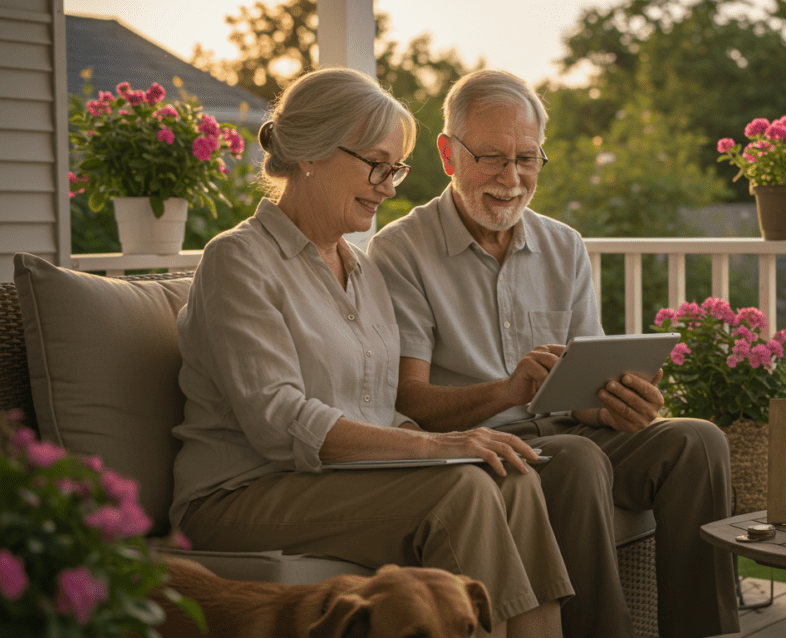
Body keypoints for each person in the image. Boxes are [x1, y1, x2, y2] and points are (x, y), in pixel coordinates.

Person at [168, 67, 571, 638]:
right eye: (377, 164)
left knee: (512, 474)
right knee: (461, 489)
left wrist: (455, 443)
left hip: (339, 479)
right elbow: (280, 421)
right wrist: (435, 446)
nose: (390, 185)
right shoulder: (238, 260)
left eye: (397, 168)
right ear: (310, 153)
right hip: (240, 494)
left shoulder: (362, 271)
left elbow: (378, 408)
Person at [367, 69, 738, 638]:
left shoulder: (563, 244)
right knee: (578, 458)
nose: (511, 178)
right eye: (491, 157)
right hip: (480, 452)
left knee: (698, 441)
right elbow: (408, 400)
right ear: (448, 153)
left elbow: (580, 390)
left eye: (528, 158)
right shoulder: (400, 252)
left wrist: (616, 404)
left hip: (568, 435)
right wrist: (505, 392)